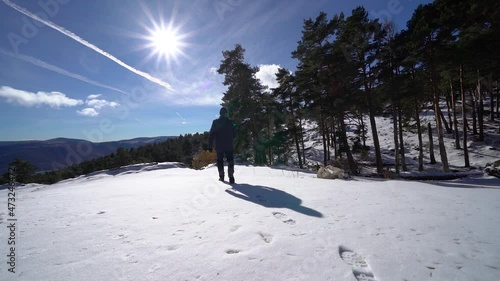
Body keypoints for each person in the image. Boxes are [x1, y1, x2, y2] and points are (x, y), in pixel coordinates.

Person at [208, 107, 236, 183]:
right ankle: (231, 176)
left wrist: (210, 146)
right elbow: (235, 134)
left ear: (220, 113)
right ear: (226, 113)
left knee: (220, 161)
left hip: (219, 145)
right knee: (230, 160)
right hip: (229, 145)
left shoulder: (215, 122)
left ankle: (221, 176)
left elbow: (211, 134)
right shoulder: (231, 122)